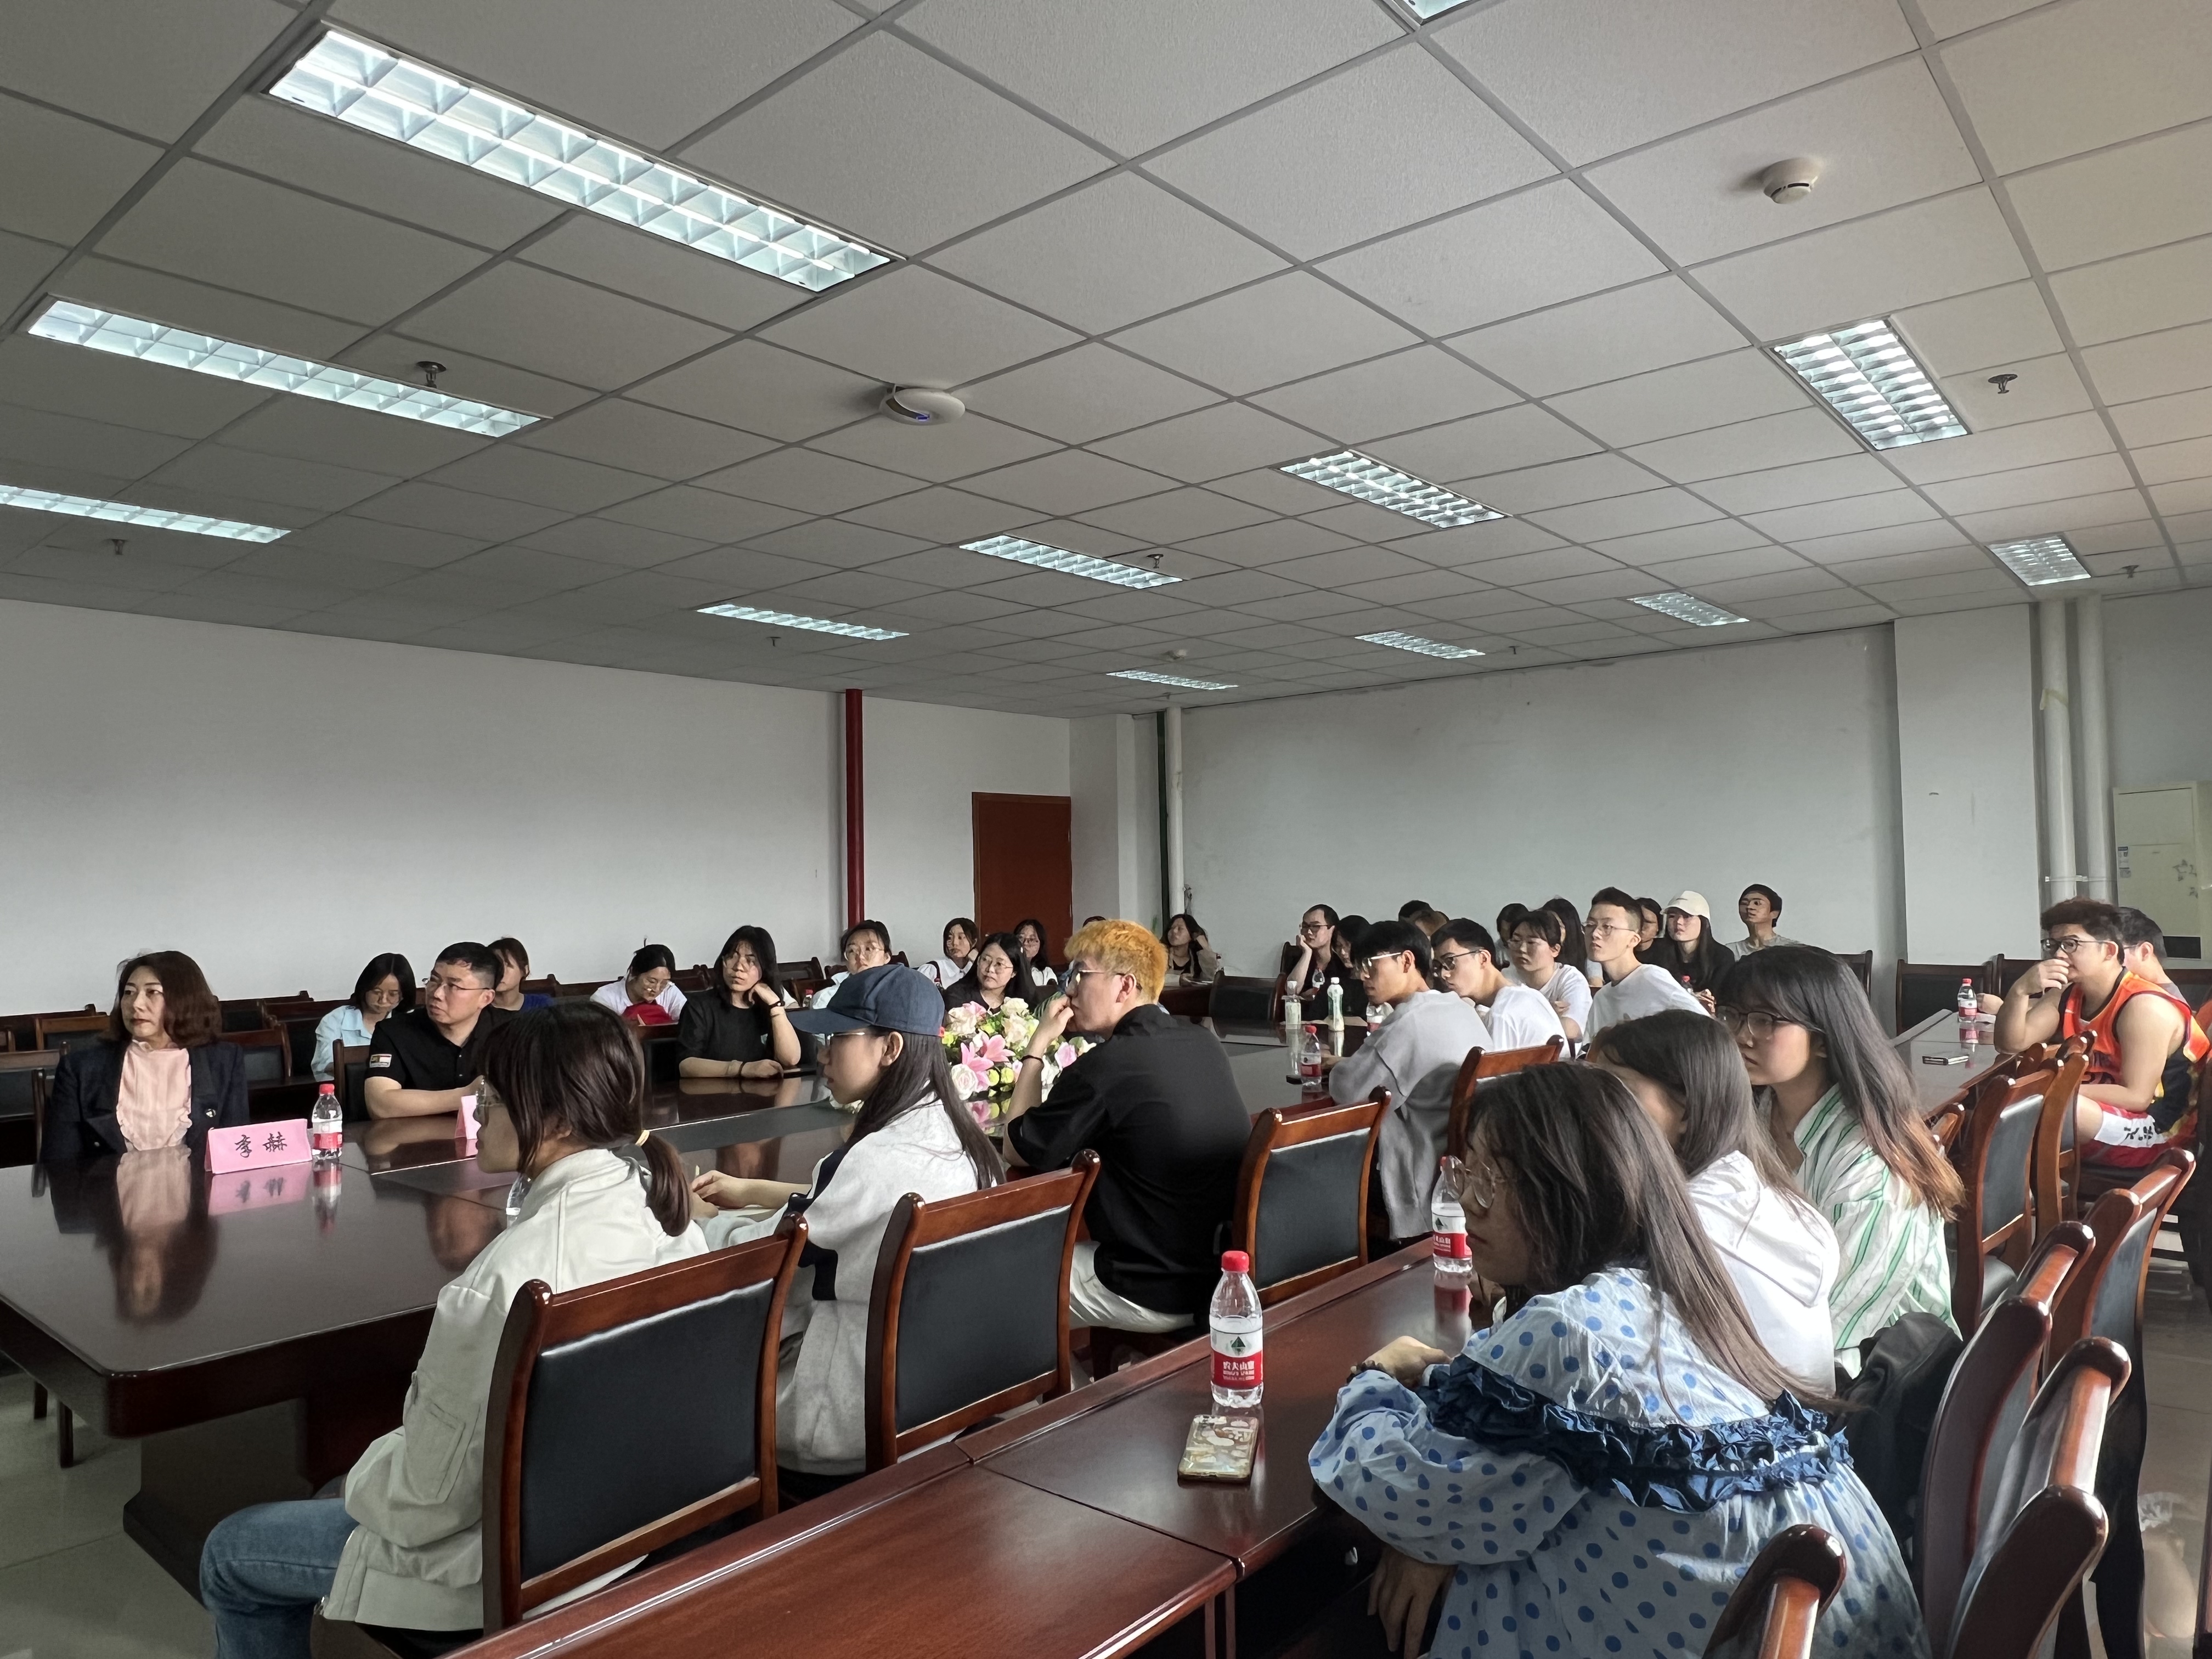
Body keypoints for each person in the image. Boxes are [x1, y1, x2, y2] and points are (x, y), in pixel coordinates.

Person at [1310, 1065, 1921, 1659]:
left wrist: (1374, 1380)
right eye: (1464, 1173)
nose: (1467, 1202)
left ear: (1570, 1190)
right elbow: (1518, 1455)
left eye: (1491, 1180)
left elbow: (1399, 1492)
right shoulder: (1673, 1289)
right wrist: (1447, 1522)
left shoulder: (1568, 1331)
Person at [199, 1002, 703, 1654]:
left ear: (553, 1120)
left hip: (513, 1564)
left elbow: (427, 1501)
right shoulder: (661, 1210)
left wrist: (359, 1478)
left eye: (490, 1098)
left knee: (232, 1552)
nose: (477, 1111)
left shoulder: (503, 1283)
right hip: (632, 1519)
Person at [692, 965, 1000, 1498]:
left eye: (838, 1037)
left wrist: (696, 1225)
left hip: (845, 1416)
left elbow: (759, 1265)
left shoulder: (874, 1159)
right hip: (938, 1396)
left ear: (891, 1048)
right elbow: (839, 1211)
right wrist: (755, 1192)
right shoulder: (964, 1139)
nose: (823, 1055)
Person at [1718, 946, 1960, 1366]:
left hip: (1869, 1368)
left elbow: (1833, 1319)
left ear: (1823, 1040)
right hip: (1765, 1329)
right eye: (1732, 1016)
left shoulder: (1873, 1166)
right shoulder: (1752, 1117)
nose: (1741, 1035)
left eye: (1764, 1020)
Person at [1004, 919, 1250, 1333]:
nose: (1069, 990)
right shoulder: (1203, 1042)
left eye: (1080, 975)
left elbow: (1017, 1148)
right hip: (1219, 1275)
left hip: (1150, 1285)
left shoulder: (1106, 1066)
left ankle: (1074, 1381)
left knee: (995, 1283)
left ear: (1124, 986)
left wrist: (1036, 1048)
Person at [1587, 1011, 1839, 1389]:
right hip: (1797, 1417)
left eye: (1617, 1092)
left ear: (1687, 1111)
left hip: (1752, 1422)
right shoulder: (1750, 1186)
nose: (1592, 1110)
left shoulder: (1677, 1224)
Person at [1994, 899, 2207, 1172]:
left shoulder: (2144, 1006)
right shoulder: (2068, 994)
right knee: (2018, 1105)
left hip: (2157, 1132)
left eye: (2071, 944)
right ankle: (2009, 1184)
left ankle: (2006, 1186)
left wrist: (2050, 1088)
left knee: (2050, 1106)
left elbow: (2136, 1097)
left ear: (2108, 950)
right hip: (2099, 1114)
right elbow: (2011, 1043)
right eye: (2053, 945)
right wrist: (2020, 990)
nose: (2058, 954)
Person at [1325, 919, 1492, 1242]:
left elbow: (1349, 1093)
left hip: (1421, 1173)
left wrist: (1341, 1067)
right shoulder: (1459, 1008)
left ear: (1406, 961)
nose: (1362, 976)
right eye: (1359, 967)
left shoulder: (1408, 1023)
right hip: (1466, 1166)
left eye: (1370, 965)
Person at [42, 952, 250, 1163]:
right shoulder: (81, 1068)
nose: (136, 1004)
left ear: (184, 1000)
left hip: (197, 1185)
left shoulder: (224, 1061)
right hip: (108, 1185)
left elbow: (238, 1155)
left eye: (152, 992)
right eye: (129, 993)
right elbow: (60, 1164)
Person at [363, 944, 514, 1119]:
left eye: (454, 986)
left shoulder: (513, 1031)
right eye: (434, 980)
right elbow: (380, 1105)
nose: (437, 994)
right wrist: (469, 1094)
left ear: (485, 998)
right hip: (415, 1136)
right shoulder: (394, 1032)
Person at [678, 927, 810, 1079]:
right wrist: (743, 1069)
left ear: (765, 968)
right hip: (714, 1092)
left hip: (764, 1092)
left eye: (750, 960)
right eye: (732, 957)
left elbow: (790, 1060)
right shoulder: (699, 1006)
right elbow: (686, 1066)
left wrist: (775, 1006)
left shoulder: (767, 1007)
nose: (738, 967)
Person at [1584, 887, 1705, 1041]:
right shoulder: (1602, 998)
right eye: (1590, 924)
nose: (1595, 934)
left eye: (1607, 927)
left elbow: (1707, 1027)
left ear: (1633, 940)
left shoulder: (1652, 978)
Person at [1430, 919, 1564, 1052]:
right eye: (1438, 966)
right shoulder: (1530, 996)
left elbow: (1494, 1067)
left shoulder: (1503, 1013)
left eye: (1450, 962)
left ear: (1483, 958)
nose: (1443, 974)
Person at [311, 953, 414, 1082]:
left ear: (403, 995)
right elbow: (324, 1066)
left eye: (393, 994)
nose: (383, 1000)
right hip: (349, 1090)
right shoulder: (335, 1020)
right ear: (365, 988)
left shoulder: (410, 1022)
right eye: (376, 992)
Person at [1505, 907, 1589, 1043]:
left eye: (1531, 942)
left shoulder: (1570, 979)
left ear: (1555, 950)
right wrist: (1548, 1012)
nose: (1522, 949)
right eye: (1516, 941)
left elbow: (1572, 1031)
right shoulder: (1506, 977)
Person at [1639, 890, 1736, 1004]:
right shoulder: (1655, 951)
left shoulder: (1722, 956)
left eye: (1687, 916)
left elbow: (1721, 999)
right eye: (1672, 916)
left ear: (1704, 922)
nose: (1678, 922)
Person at [590, 945, 686, 1026]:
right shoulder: (605, 998)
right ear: (633, 973)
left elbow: (688, 1022)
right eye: (651, 981)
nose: (657, 989)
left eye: (664, 983)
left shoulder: (669, 991)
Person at [940, 932, 1029, 1014]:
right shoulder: (957, 996)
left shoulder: (1021, 1003)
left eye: (999, 964)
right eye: (986, 960)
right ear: (978, 960)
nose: (990, 969)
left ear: (1014, 972)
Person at [809, 919, 893, 1007]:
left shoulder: (898, 990)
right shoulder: (828, 999)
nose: (860, 957)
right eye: (852, 951)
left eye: (869, 949)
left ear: (886, 957)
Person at [1280, 904, 1340, 997]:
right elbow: (1291, 992)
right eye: (1305, 926)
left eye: (1315, 926)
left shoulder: (1342, 961)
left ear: (1332, 930)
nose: (1308, 932)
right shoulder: (1296, 957)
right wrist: (1307, 953)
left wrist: (1319, 995)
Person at [1727, 884, 1798, 953]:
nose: (1749, 907)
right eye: (1744, 903)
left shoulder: (1792, 949)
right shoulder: (1731, 951)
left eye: (1757, 903)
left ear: (1774, 913)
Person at [487, 938, 552, 1012]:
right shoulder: (478, 1008)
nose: (500, 972)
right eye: (495, 965)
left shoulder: (543, 1004)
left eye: (508, 965)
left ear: (525, 970)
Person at [1161, 912, 1220, 985]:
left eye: (1180, 929)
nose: (1174, 931)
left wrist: (1205, 946)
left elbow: (1210, 978)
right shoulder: (1159, 954)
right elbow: (1153, 978)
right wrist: (1178, 980)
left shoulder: (1197, 958)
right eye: (1171, 928)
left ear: (1192, 935)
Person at [920, 916, 978, 989]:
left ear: (974, 942)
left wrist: (977, 961)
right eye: (950, 938)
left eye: (960, 937)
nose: (955, 943)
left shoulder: (979, 970)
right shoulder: (932, 971)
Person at [1013, 918, 1060, 998]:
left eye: (1031, 939)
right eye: (1021, 938)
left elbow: (1053, 994)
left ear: (1040, 944)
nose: (1025, 943)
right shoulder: (1008, 968)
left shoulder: (1046, 972)